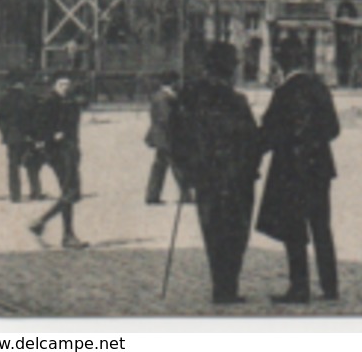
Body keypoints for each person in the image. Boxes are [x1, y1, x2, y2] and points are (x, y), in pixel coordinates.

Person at [173, 43, 262, 305]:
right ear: (228, 69)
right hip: (236, 179)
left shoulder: (188, 98)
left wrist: (186, 172)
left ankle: (220, 286)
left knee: (213, 231)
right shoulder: (236, 101)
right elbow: (251, 139)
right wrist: (252, 165)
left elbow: (177, 138)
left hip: (206, 178)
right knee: (236, 232)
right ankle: (228, 287)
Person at [256, 37, 340, 304]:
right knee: (321, 227)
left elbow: (268, 134)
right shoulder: (320, 88)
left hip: (291, 170)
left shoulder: (284, 93)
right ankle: (330, 286)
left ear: (282, 63)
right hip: (320, 169)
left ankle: (300, 287)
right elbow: (334, 129)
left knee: (294, 229)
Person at [28, 74, 86, 249]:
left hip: (70, 150)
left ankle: (66, 234)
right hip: (59, 152)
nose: (65, 87)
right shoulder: (48, 102)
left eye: (68, 83)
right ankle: (43, 223)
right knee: (72, 192)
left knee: (69, 192)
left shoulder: (69, 102)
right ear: (54, 85)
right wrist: (51, 136)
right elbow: (36, 126)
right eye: (61, 84)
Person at [0, 71, 44, 203]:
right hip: (28, 136)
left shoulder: (4, 98)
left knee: (13, 166)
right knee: (32, 164)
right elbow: (37, 118)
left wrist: (6, 132)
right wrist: (35, 135)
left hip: (12, 136)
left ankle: (15, 195)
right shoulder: (31, 97)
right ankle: (36, 191)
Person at [145, 71, 190, 206]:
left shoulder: (159, 96)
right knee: (178, 165)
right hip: (168, 138)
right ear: (172, 82)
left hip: (161, 138)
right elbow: (167, 119)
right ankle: (185, 194)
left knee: (160, 166)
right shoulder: (165, 98)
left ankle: (152, 195)